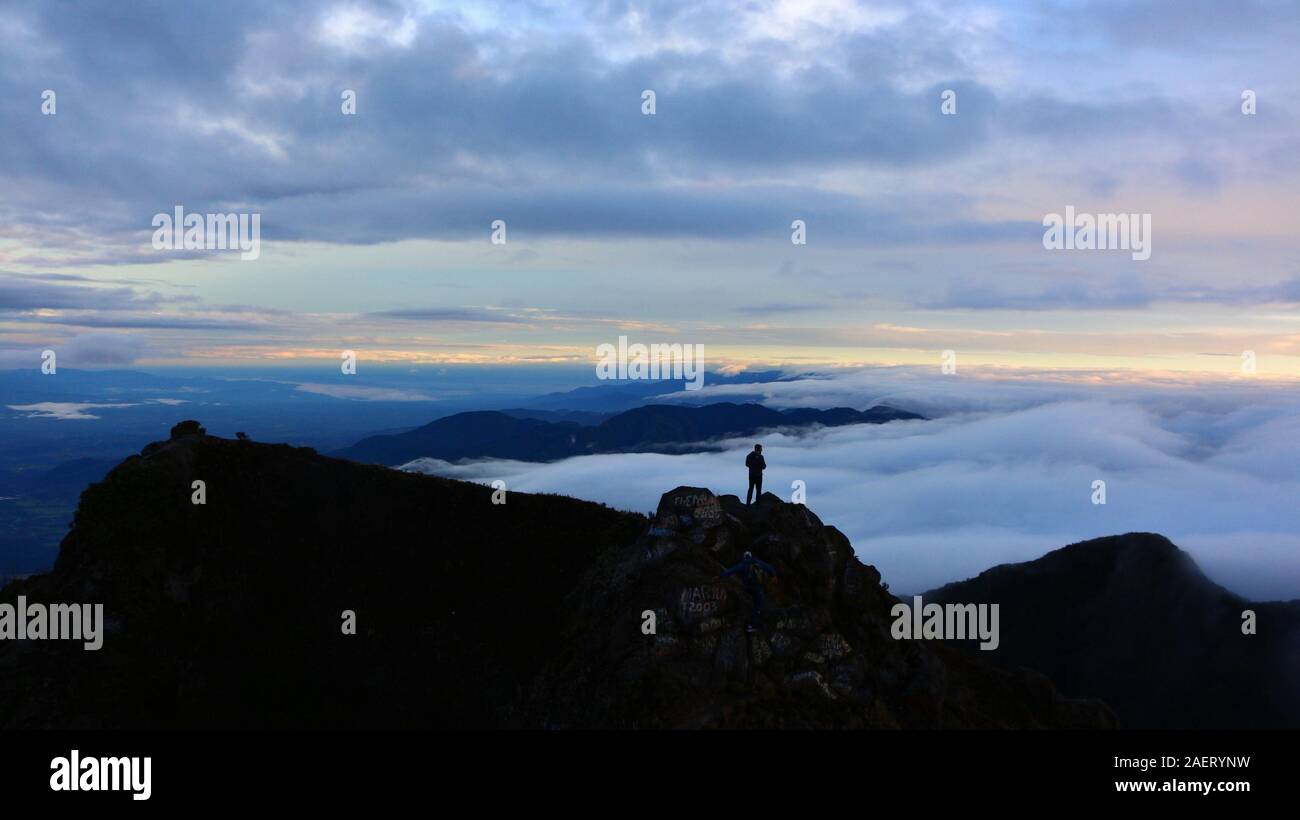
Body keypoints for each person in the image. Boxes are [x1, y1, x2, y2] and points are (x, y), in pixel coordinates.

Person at [720, 551, 778, 632]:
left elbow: (730, 571)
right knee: (758, 605)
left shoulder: (742, 564)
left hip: (747, 588)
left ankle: (749, 620)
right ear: (751, 556)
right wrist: (774, 575)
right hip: (758, 588)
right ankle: (753, 624)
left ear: (744, 557)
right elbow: (770, 568)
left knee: (749, 602)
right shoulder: (758, 562)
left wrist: (720, 576)